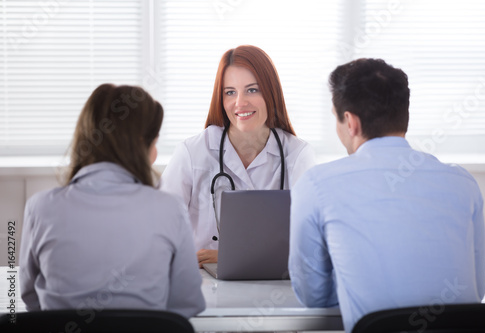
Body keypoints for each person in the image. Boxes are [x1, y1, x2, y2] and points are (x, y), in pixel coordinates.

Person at [288, 58, 485, 333]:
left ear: (350, 122)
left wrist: (359, 280)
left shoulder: (316, 185)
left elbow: (314, 296)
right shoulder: (463, 183)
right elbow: (476, 288)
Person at [19, 84, 205, 319]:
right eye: (154, 143)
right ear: (141, 145)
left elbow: (29, 296)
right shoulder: (170, 209)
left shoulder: (40, 207)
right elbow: (188, 303)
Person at [160, 45, 315, 267]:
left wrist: (227, 257)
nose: (240, 103)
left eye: (252, 90)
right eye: (230, 92)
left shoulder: (298, 155)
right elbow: (159, 230)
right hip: (204, 284)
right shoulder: (192, 152)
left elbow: (310, 242)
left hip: (274, 286)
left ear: (271, 92)